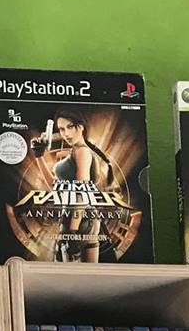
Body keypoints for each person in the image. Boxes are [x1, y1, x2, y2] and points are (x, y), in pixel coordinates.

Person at [30, 109, 122, 261]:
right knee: (88, 271)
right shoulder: (79, 151)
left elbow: (81, 192)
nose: (66, 133)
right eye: (61, 129)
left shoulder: (81, 152)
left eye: (70, 127)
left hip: (77, 217)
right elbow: (55, 186)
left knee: (68, 271)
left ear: (81, 126)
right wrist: (39, 156)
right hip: (83, 217)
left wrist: (72, 231)